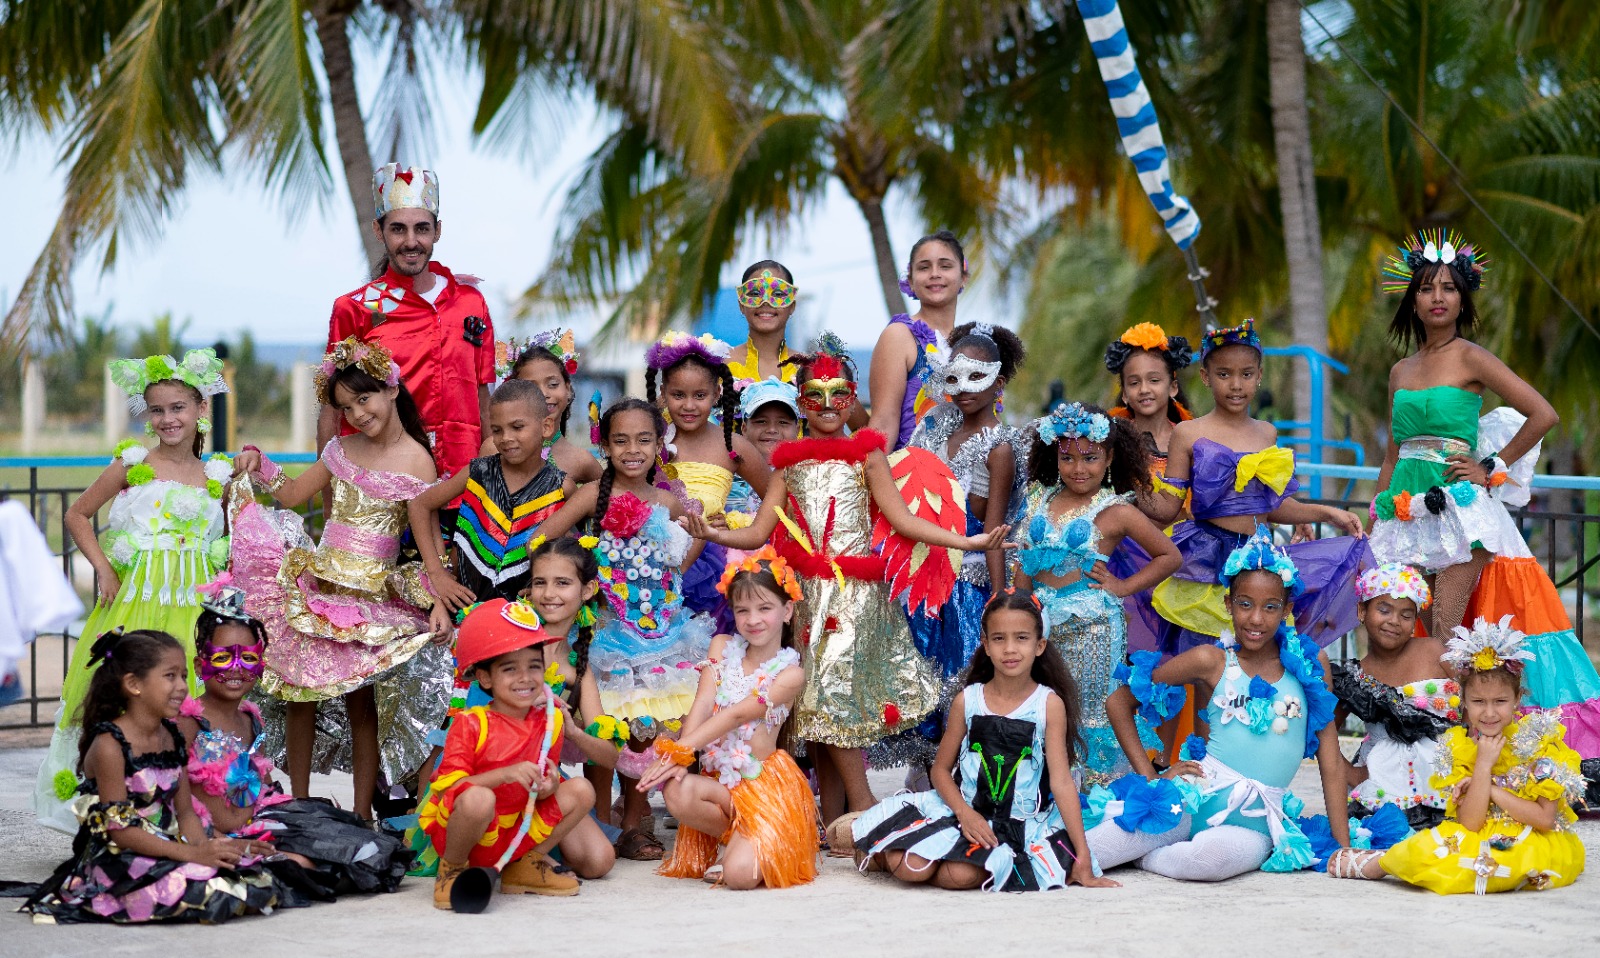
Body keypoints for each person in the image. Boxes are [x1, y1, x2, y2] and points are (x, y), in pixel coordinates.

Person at [685, 343, 1008, 824]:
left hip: (855, 598)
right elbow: (758, 530)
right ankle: (830, 815)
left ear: (852, 396)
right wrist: (713, 532)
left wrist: (968, 541)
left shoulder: (868, 458)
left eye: (840, 394)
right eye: (815, 395)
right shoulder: (788, 465)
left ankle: (863, 808)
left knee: (833, 702)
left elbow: (901, 521)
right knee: (813, 708)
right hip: (806, 599)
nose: (829, 405)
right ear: (801, 402)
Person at [1367, 229, 1600, 801]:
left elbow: (1542, 413)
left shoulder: (1471, 356)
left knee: (1446, 631)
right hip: (1403, 513)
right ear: (1413, 301)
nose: (1437, 297)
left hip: (1457, 515)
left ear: (1463, 298)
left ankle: (1462, 762)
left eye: (1448, 287)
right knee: (1406, 631)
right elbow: (1394, 454)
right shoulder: (1400, 371)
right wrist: (1375, 518)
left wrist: (1491, 466)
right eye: (1426, 288)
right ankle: (1408, 751)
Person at [230, 338, 451, 823]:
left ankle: (359, 814)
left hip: (372, 599)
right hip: (320, 586)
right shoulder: (338, 450)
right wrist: (257, 461)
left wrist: (437, 599)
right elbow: (289, 496)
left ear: (391, 388)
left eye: (363, 399)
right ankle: (300, 805)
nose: (356, 413)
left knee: (362, 707)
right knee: (300, 693)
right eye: (346, 407)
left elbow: (426, 537)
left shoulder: (419, 462)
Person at [35, 349, 233, 833]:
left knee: (187, 698)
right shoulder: (131, 463)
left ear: (201, 408)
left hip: (194, 604)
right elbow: (77, 514)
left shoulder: (218, 477)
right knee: (129, 693)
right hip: (138, 599)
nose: (168, 419)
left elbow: (231, 539)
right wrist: (103, 567)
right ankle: (118, 804)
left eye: (179, 408)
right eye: (158, 410)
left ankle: (184, 807)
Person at [1094, 532, 1351, 879]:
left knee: (1207, 862)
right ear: (1228, 604)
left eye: (1270, 607)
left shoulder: (1311, 664)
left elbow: (1331, 762)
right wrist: (1150, 778)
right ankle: (1138, 844)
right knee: (1091, 850)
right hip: (1190, 798)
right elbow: (1119, 701)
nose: (1256, 619)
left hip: (1255, 822)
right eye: (1245, 604)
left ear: (1287, 609)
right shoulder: (1210, 660)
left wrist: (1343, 846)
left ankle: (1144, 856)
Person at [523, 398, 714, 860]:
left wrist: (674, 573)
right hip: (607, 631)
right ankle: (600, 819)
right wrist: (584, 573)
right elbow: (542, 537)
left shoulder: (669, 501)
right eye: (621, 440)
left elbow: (690, 547)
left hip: (663, 631)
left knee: (648, 727)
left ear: (659, 445)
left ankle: (634, 819)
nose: (633, 450)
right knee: (610, 725)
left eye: (644, 440)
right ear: (604, 445)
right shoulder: (592, 495)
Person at [1127, 318, 1370, 656]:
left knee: (1260, 660)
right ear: (1205, 377)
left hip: (1258, 561)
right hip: (1205, 562)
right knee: (1205, 664)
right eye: (1224, 374)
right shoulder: (1189, 433)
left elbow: (1272, 506)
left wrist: (1329, 512)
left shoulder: (1266, 434)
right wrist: (1126, 490)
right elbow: (1168, 507)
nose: (1235, 384)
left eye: (1245, 374)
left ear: (1259, 376)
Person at [850, 588, 1118, 892]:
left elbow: (1061, 781)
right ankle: (880, 851)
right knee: (912, 868)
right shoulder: (969, 700)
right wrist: (965, 815)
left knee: (958, 877)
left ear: (1040, 645)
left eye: (1022, 638)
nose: (1010, 649)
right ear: (986, 645)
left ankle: (900, 848)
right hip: (960, 813)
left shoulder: (1048, 704)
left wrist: (1082, 856)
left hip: (1018, 824)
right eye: (999, 638)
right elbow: (939, 770)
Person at [23, 629, 286, 923]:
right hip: (122, 857)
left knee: (255, 880)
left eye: (184, 676)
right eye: (170, 676)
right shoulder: (110, 745)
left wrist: (210, 848)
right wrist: (191, 855)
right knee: (216, 892)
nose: (182, 687)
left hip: (169, 846)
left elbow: (186, 813)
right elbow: (119, 831)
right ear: (134, 684)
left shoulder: (171, 736)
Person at [177, 581, 411, 894]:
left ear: (261, 664)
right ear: (199, 663)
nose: (236, 669)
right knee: (301, 865)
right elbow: (172, 800)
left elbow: (259, 782)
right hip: (210, 837)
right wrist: (213, 838)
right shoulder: (188, 723)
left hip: (261, 823)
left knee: (363, 847)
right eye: (222, 658)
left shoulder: (249, 719)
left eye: (247, 658)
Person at [1329, 617, 1586, 893]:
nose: (1488, 713)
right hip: (1479, 835)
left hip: (1534, 842)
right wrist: (1483, 765)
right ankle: (1387, 862)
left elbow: (1545, 819)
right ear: (1463, 700)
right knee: (1434, 844)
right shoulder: (1462, 749)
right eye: (1478, 702)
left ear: (1518, 699)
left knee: (1485, 867)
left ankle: (1384, 865)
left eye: (1500, 701)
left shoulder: (1538, 741)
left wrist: (1489, 788)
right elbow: (1470, 823)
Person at [1014, 402, 1182, 785]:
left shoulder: (1117, 510)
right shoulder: (1038, 497)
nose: (1078, 468)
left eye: (1090, 458)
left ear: (1109, 458)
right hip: (1040, 628)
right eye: (1067, 457)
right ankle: (1047, 788)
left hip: (1094, 630)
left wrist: (1122, 587)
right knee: (1043, 706)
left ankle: (1095, 797)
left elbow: (1169, 556)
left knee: (1090, 712)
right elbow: (1024, 561)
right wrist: (1019, 611)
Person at [421, 599, 613, 910]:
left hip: (515, 832)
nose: (525, 678)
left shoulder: (548, 722)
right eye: (510, 669)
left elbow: (545, 785)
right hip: (468, 833)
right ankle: (452, 870)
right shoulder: (471, 723)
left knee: (580, 789)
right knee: (478, 798)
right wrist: (506, 774)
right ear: (485, 678)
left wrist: (548, 785)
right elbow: (450, 790)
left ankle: (522, 864)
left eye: (534, 667)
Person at [645, 548, 819, 889]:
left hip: (763, 787)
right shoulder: (722, 647)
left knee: (739, 878)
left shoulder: (790, 673)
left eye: (764, 608)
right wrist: (682, 757)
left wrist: (681, 750)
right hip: (723, 785)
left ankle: (761, 833)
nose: (753, 619)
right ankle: (740, 832)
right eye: (743, 610)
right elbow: (702, 703)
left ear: (787, 610)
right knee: (677, 791)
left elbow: (740, 713)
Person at [319, 163, 495, 483]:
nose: (411, 241)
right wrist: (331, 507)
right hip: (384, 488)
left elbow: (484, 400)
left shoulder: (471, 303)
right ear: (378, 230)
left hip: (465, 485)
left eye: (422, 229)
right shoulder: (356, 308)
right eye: (398, 228)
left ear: (437, 231)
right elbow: (332, 410)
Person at [903, 322, 1029, 728]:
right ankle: (928, 776)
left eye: (978, 376)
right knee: (920, 675)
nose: (965, 387)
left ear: (1000, 382)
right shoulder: (935, 426)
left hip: (966, 582)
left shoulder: (1000, 446)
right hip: (922, 571)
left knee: (959, 677)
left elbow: (994, 530)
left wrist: (997, 599)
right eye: (954, 377)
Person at [408, 378, 573, 610]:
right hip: (463, 611)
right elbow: (419, 505)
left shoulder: (561, 488)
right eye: (497, 430)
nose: (506, 438)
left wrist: (546, 589)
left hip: (526, 619)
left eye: (517, 427)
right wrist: (437, 574)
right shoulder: (478, 472)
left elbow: (566, 555)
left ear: (546, 426)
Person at [646, 331, 772, 632]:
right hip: (651, 555)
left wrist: (738, 524)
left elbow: (775, 500)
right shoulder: (649, 440)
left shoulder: (733, 445)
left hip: (710, 561)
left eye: (699, 396)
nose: (689, 405)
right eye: (678, 395)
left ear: (716, 394)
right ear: (663, 392)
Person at [1329, 564, 1455, 829]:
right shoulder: (1355, 676)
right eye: (1384, 610)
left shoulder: (1433, 651)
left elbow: (1477, 694)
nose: (1394, 621)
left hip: (1447, 779)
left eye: (1406, 615)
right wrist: (1350, 773)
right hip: (1383, 788)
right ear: (1362, 611)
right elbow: (1323, 731)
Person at [867, 230, 966, 450]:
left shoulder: (975, 344)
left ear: (963, 277)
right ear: (910, 281)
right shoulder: (899, 336)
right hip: (913, 479)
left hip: (973, 482)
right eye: (924, 267)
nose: (934, 274)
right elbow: (883, 425)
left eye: (945, 266)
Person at [1103, 322, 1195, 518]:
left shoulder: (1192, 439)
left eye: (1154, 380)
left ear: (1173, 387)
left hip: (1189, 543)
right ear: (1125, 394)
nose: (1144, 389)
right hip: (1127, 544)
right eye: (1134, 383)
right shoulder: (1111, 442)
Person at [506, 327, 603, 485]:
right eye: (531, 386)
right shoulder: (495, 449)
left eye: (552, 384)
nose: (543, 393)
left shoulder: (582, 461)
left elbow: (609, 504)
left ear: (568, 390)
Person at [725, 377, 801, 524]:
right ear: (744, 429)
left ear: (797, 431)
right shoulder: (726, 474)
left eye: (783, 422)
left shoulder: (807, 476)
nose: (772, 429)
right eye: (761, 421)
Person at [727, 260, 799, 387]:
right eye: (755, 293)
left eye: (778, 294)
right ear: (741, 306)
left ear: (792, 306)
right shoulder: (720, 364)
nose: (765, 302)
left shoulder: (809, 368)